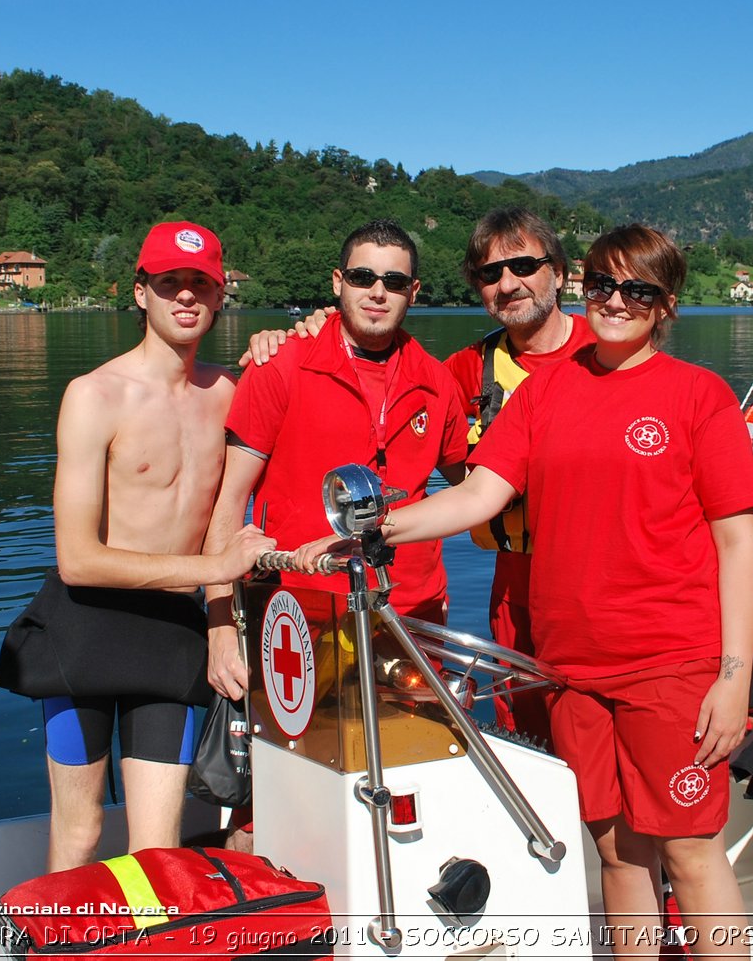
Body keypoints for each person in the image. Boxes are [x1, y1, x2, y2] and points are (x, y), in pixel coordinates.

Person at [294, 224, 753, 958]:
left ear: (665, 305)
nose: (616, 301)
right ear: (584, 286)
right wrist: (377, 527)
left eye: (637, 290)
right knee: (616, 853)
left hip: (670, 663)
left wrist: (732, 679)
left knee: (689, 853)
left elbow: (740, 545)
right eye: (603, 285)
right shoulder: (547, 388)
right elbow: (481, 492)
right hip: (572, 666)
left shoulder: (696, 395)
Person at [243, 207, 593, 739]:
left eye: (522, 265)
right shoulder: (458, 372)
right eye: (489, 273)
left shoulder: (612, 351)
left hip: (593, 577)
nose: (507, 283)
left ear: (561, 271)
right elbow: (472, 486)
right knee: (524, 734)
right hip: (326, 600)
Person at [0, 221, 273, 872]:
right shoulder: (94, 396)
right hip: (85, 631)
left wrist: (216, 620)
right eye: (169, 282)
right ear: (140, 292)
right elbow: (78, 559)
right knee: (82, 832)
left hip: (170, 637)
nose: (185, 297)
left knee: (157, 850)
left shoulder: (231, 394)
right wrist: (216, 570)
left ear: (219, 296)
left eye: (200, 284)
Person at [203, 219, 470, 846]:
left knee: (408, 776)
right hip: (294, 621)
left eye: (394, 280)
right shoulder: (281, 368)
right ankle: (268, 926)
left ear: (414, 291)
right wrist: (218, 624)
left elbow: (475, 486)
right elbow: (227, 507)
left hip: (409, 615)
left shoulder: (438, 382)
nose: (377, 291)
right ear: (338, 282)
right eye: (362, 277)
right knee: (271, 798)